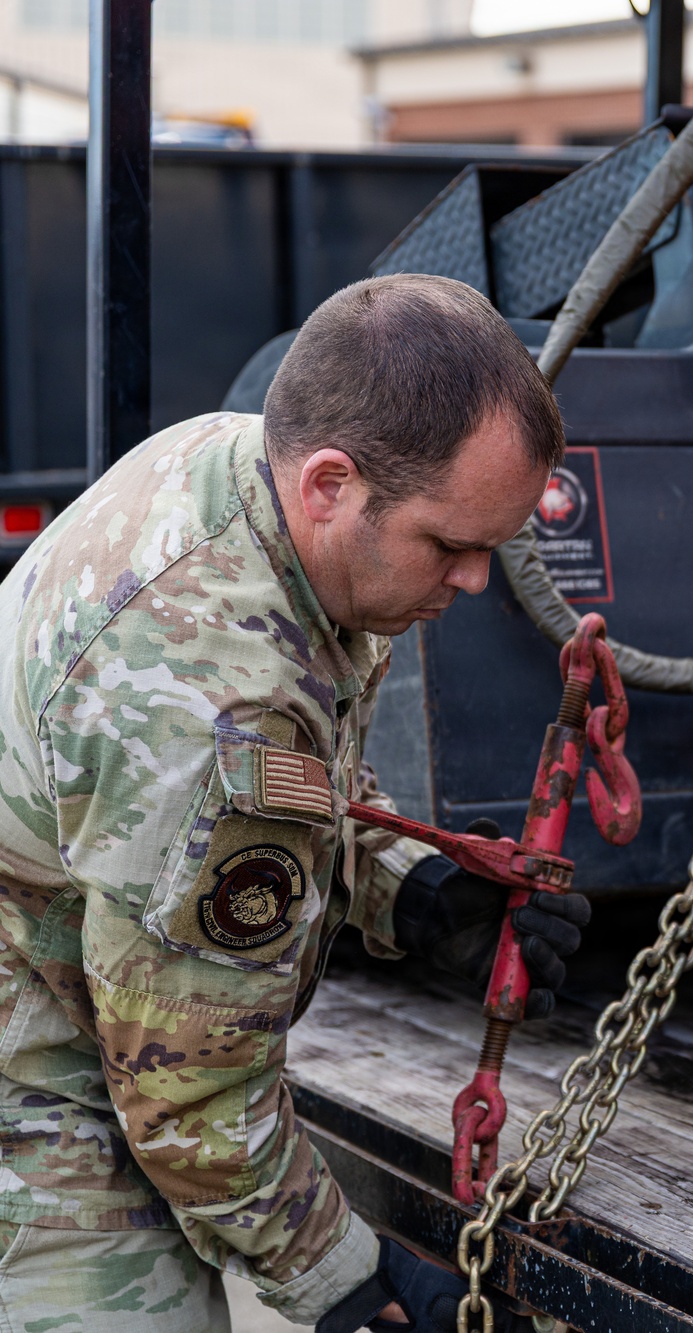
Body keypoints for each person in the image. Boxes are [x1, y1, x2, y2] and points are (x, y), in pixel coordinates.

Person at [0, 275, 591, 1331]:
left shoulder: (244, 466)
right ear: (330, 482)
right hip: (33, 1079)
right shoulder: (196, 692)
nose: (467, 583)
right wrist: (349, 1285)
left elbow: (291, 775)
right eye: (447, 544)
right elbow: (189, 1102)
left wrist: (417, 892)